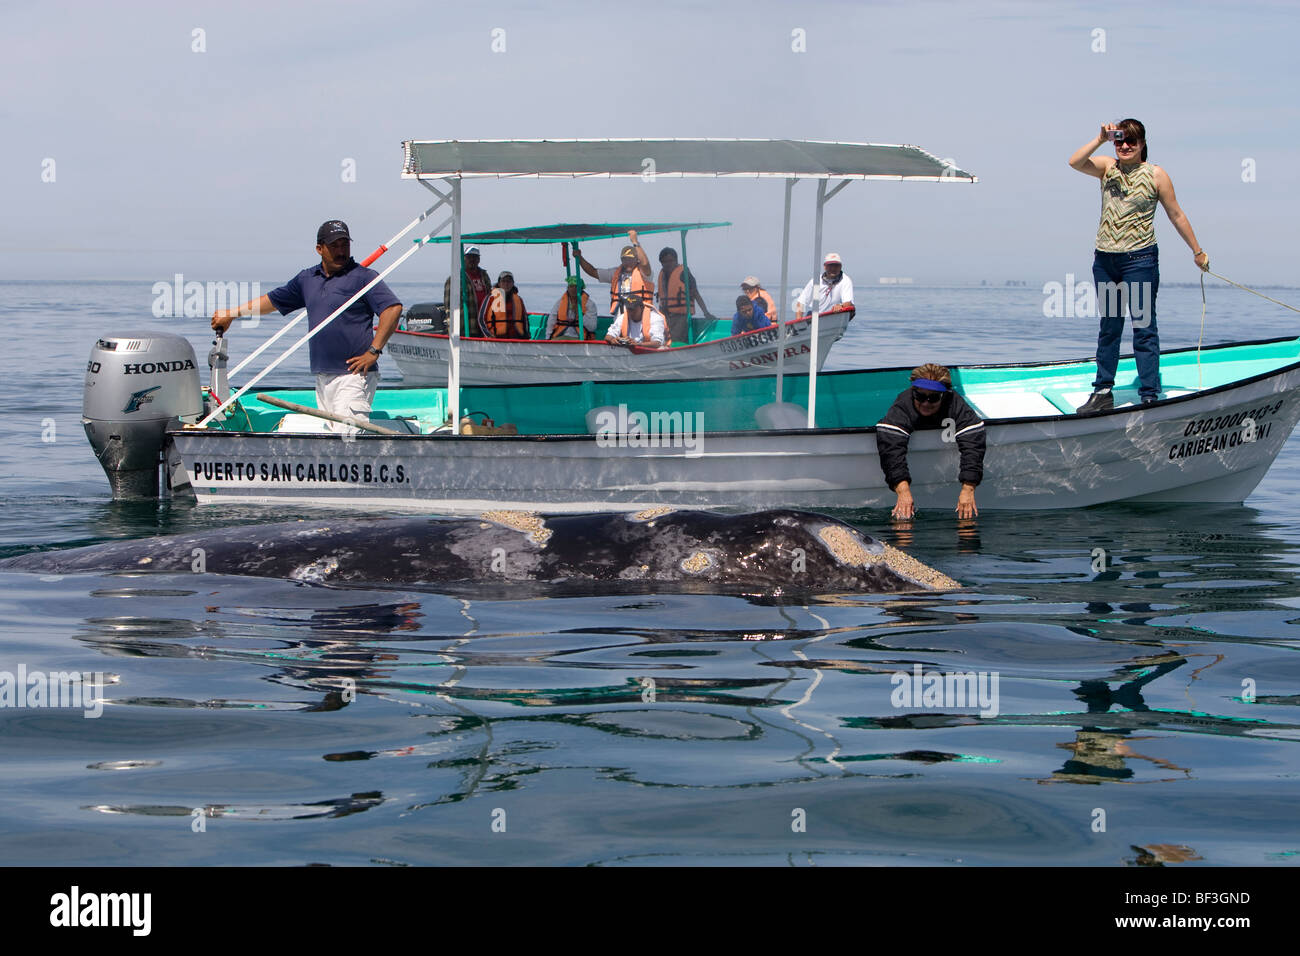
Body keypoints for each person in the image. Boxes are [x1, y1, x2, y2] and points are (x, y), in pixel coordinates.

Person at [210, 220, 402, 435]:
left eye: (344, 245)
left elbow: (392, 309)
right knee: (332, 435)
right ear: (319, 249)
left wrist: (374, 351)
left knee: (348, 437)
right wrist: (232, 313)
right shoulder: (307, 279)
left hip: (354, 375)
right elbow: (272, 301)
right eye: (334, 246)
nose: (341, 251)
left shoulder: (363, 277)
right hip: (323, 374)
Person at [1070, 118, 1209, 412]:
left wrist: (1197, 251)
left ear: (1143, 144)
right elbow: (1075, 162)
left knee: (1143, 327)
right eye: (1120, 141)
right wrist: (1100, 139)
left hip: (1140, 262)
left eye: (1132, 141)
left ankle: (1149, 393)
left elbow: (1176, 214)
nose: (1125, 146)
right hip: (1106, 262)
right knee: (1110, 327)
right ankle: (1103, 391)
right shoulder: (1108, 167)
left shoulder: (1156, 175)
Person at [876, 363, 985, 520]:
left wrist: (968, 489)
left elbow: (973, 444)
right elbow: (891, 449)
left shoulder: (954, 403)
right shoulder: (903, 404)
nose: (926, 403)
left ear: (945, 394)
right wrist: (903, 491)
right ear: (913, 392)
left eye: (933, 398)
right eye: (920, 396)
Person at [575, 229, 654, 324]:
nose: (627, 262)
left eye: (630, 259)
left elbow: (645, 264)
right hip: (620, 316)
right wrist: (579, 257)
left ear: (637, 259)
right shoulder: (615, 273)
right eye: (625, 259)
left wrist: (635, 242)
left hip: (640, 317)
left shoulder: (644, 273)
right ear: (621, 260)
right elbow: (592, 272)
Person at [656, 246, 715, 345]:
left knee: (676, 340)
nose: (668, 264)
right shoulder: (662, 274)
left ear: (676, 260)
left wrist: (706, 313)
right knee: (663, 339)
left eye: (670, 261)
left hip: (681, 316)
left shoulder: (684, 273)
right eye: (664, 262)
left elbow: (695, 293)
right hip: (665, 316)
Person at [443, 245, 493, 335]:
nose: (472, 260)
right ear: (464, 259)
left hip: (484, 326)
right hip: (465, 327)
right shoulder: (455, 279)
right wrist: (452, 328)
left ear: (479, 259)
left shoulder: (484, 275)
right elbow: (448, 306)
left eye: (475, 257)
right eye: (469, 257)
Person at [794, 252, 855, 319]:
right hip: (814, 317)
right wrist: (799, 323)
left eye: (836, 265)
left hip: (834, 316)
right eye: (830, 265)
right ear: (825, 267)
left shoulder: (846, 280)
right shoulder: (815, 281)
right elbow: (801, 303)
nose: (833, 268)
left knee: (852, 309)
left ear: (840, 266)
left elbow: (848, 303)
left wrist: (841, 306)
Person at [477, 270, 530, 338]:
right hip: (496, 338)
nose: (506, 284)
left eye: (509, 281)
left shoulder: (519, 299)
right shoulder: (491, 298)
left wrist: (526, 335)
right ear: (499, 283)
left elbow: (525, 319)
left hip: (516, 338)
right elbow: (481, 319)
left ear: (513, 283)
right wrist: (488, 336)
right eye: (503, 281)